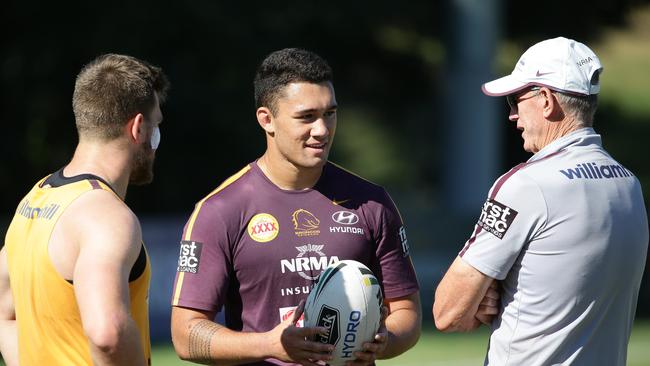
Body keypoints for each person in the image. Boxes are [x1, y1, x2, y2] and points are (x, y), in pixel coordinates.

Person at [170, 48, 421, 365]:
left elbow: (407, 312)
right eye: (306, 117)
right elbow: (185, 335)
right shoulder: (220, 210)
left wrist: (383, 342)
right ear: (267, 119)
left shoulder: (372, 202)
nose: (322, 130)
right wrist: (269, 345)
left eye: (330, 113)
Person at [433, 36, 649, 365]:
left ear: (546, 100)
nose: (512, 116)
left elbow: (447, 312)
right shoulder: (628, 184)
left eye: (515, 101)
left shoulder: (526, 185)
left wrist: (489, 294)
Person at [0, 53, 169, 365]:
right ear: (138, 128)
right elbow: (107, 334)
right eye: (157, 126)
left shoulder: (35, 199)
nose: (157, 140)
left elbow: (5, 314)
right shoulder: (107, 218)